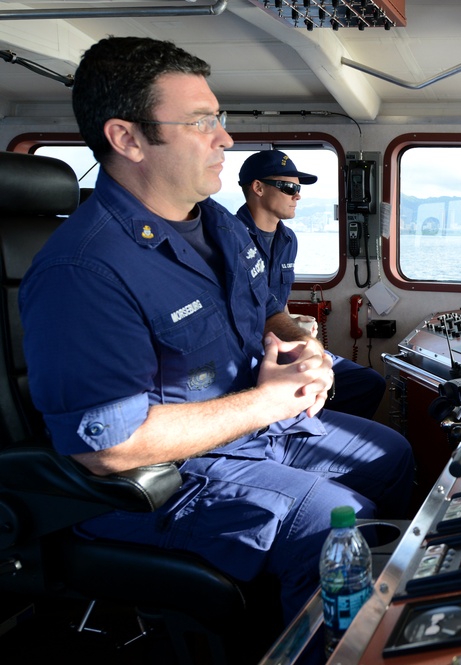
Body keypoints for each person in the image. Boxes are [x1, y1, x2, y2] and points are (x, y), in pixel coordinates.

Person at [18, 36, 414, 624]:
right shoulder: (84, 270)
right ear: (127, 138)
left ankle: (375, 613)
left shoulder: (219, 230)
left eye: (219, 119)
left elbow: (263, 316)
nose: (224, 138)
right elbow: (107, 449)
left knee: (394, 455)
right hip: (163, 478)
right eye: (202, 121)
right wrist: (267, 401)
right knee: (339, 521)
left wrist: (304, 358)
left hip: (251, 434)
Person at [235, 150, 387, 420]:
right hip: (249, 350)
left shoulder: (287, 239)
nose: (298, 195)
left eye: (299, 188)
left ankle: (318, 431)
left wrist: (291, 317)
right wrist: (289, 334)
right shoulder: (231, 240)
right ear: (258, 187)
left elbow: (276, 303)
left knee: (369, 383)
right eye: (289, 187)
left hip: (282, 338)